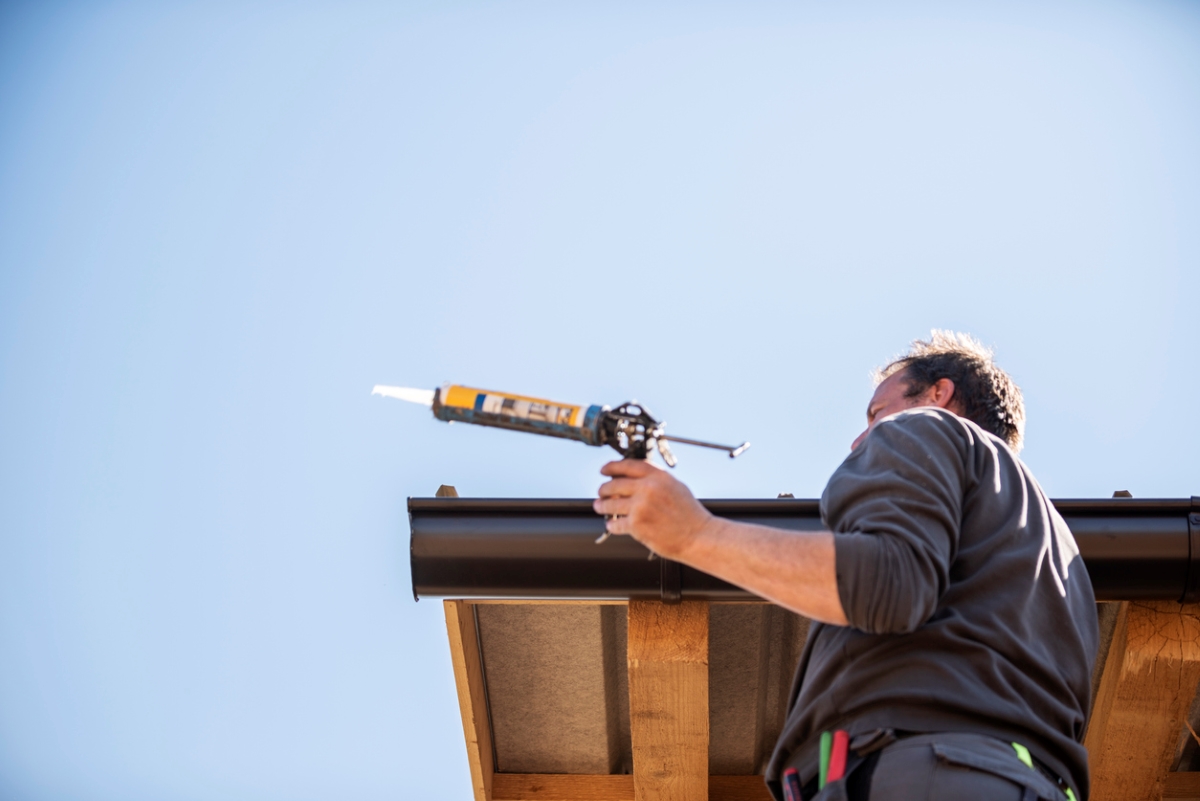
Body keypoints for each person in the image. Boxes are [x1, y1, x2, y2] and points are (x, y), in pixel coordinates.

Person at [593, 331, 1098, 800]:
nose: (861, 440)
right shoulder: (1054, 549)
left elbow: (888, 584)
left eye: (876, 413)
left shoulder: (924, 424)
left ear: (938, 394)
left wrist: (694, 534)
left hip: (926, 770)